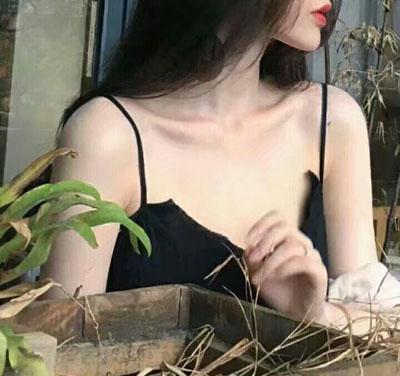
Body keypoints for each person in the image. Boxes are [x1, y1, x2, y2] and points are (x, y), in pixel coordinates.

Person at [41, 0, 400, 334]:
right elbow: (58, 348)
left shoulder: (331, 121)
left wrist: (316, 316)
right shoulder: (107, 135)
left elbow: (385, 327)